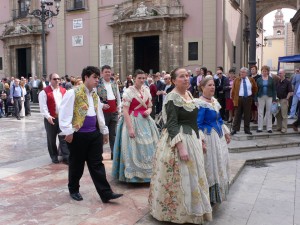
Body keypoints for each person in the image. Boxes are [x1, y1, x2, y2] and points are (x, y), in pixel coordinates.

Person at [149, 67, 212, 224]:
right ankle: (176, 213)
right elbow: (171, 124)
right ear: (174, 80)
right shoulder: (172, 97)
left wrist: (201, 139)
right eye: (182, 76)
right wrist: (181, 147)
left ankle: (193, 209)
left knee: (194, 176)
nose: (186, 78)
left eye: (187, 76)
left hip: (192, 138)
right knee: (179, 177)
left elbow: (194, 122)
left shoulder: (189, 94)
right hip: (178, 140)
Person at [59, 66, 123, 202]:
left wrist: (104, 131)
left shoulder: (94, 94)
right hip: (78, 135)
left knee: (97, 164)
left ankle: (106, 193)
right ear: (86, 77)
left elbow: (98, 113)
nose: (96, 80)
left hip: (93, 134)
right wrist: (68, 131)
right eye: (94, 77)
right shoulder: (73, 93)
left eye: (97, 78)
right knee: (77, 164)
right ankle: (73, 189)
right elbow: (64, 113)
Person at [112, 69, 159, 182]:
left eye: (143, 78)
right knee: (133, 147)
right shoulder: (128, 91)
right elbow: (125, 111)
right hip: (133, 120)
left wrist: (149, 110)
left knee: (150, 147)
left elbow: (150, 106)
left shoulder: (146, 90)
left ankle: (149, 175)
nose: (142, 80)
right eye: (139, 78)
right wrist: (130, 128)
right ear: (134, 78)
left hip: (146, 121)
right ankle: (134, 177)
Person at [196, 75, 231, 205]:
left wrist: (226, 132)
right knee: (211, 166)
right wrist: (202, 140)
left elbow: (219, 119)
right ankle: (208, 195)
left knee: (220, 163)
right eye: (209, 85)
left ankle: (218, 194)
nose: (212, 87)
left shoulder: (214, 101)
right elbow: (198, 124)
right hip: (209, 137)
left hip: (219, 137)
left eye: (213, 85)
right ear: (202, 87)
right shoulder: (201, 104)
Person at [39, 73, 69, 164]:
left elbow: (67, 105)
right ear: (50, 80)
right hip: (51, 119)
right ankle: (54, 156)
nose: (57, 81)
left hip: (62, 119)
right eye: (54, 79)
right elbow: (43, 107)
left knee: (63, 138)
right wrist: (48, 116)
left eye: (58, 79)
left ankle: (66, 156)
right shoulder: (44, 92)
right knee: (51, 139)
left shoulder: (64, 91)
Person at [97, 65, 122, 160]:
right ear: (102, 73)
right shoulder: (98, 84)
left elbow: (118, 97)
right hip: (103, 113)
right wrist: (102, 105)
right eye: (106, 72)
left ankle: (113, 153)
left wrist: (119, 109)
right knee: (102, 134)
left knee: (113, 134)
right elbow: (95, 98)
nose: (108, 73)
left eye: (109, 71)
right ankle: (99, 154)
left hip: (114, 112)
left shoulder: (114, 83)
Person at [231, 67, 258, 135]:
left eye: (243, 72)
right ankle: (235, 129)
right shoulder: (236, 80)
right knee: (237, 114)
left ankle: (247, 129)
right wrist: (234, 99)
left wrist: (251, 95)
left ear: (246, 73)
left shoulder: (251, 79)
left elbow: (255, 88)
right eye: (241, 72)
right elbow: (233, 90)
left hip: (248, 99)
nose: (241, 73)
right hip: (239, 99)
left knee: (247, 115)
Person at [255, 65, 276, 133]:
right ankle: (260, 128)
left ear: (268, 72)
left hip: (269, 97)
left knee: (269, 112)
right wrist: (255, 99)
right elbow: (256, 90)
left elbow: (274, 90)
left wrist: (274, 99)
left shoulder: (271, 79)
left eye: (265, 71)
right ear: (261, 72)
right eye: (263, 71)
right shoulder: (258, 79)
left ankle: (269, 128)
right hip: (260, 97)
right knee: (260, 112)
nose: (264, 72)